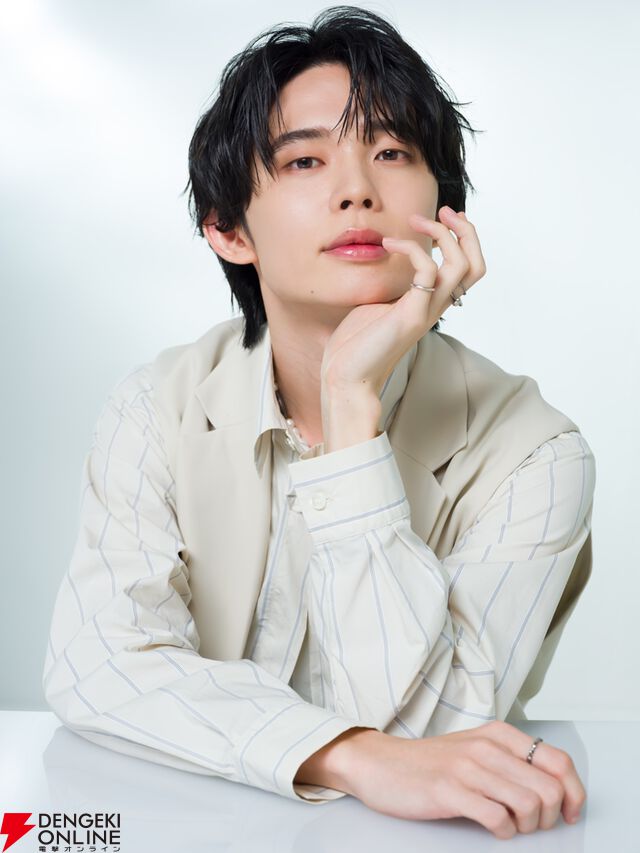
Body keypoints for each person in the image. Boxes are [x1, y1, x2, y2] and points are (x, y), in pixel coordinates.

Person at [42, 6, 593, 840]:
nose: (358, 188)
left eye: (393, 152)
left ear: (445, 210)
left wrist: (350, 409)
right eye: (305, 159)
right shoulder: (155, 407)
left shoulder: (537, 454)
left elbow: (439, 731)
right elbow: (98, 667)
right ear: (228, 229)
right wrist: (348, 756)